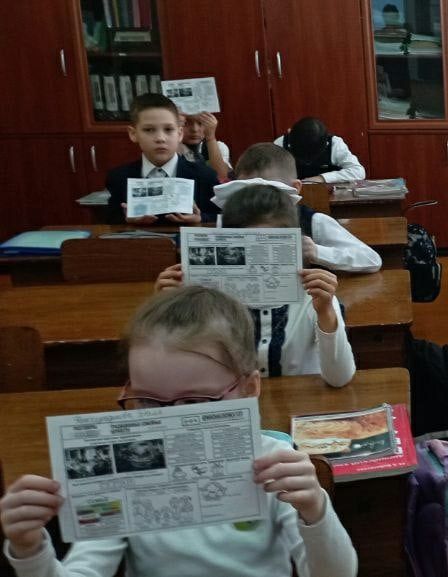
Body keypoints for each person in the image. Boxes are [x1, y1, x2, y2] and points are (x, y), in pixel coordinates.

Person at [0, 286, 358, 577]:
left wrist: (315, 509)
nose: (168, 421)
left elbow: (337, 573)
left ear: (249, 388)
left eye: (195, 401)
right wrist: (30, 550)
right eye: (147, 401)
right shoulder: (121, 472)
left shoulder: (274, 464)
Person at [155, 185, 357, 387]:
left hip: (298, 400)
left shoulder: (314, 297)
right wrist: (165, 313)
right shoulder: (208, 298)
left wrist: (326, 313)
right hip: (231, 400)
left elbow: (339, 378)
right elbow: (173, 375)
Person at [226, 142, 382, 273]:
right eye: (245, 190)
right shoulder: (233, 221)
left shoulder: (314, 221)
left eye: (269, 191)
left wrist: (318, 252)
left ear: (295, 188)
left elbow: (371, 259)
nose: (257, 199)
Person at [105, 93, 219, 224]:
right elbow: (109, 220)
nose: (160, 138)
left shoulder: (204, 175)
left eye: (168, 129)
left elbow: (220, 217)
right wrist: (126, 220)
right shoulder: (119, 177)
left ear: (180, 133)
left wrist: (200, 218)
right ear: (133, 134)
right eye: (149, 130)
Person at [274, 117, 366, 183]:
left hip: (328, 194)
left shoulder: (335, 144)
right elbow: (268, 176)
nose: (307, 161)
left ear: (326, 143)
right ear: (290, 134)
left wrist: (322, 178)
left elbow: (358, 172)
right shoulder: (280, 144)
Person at [180, 112, 232, 181]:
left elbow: (221, 178)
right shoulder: (172, 149)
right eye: (186, 123)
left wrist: (211, 138)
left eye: (201, 123)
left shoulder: (219, 146)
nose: (195, 129)